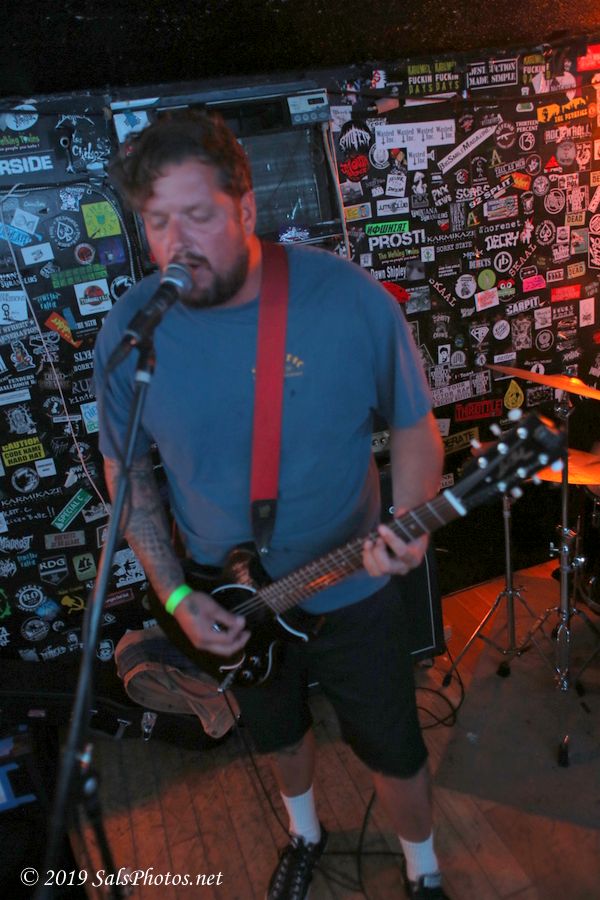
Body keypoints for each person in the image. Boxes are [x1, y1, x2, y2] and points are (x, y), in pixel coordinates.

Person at [94, 109, 447, 900]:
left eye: (198, 214)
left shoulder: (345, 299)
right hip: (231, 599)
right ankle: (305, 833)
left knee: (393, 747)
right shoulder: (131, 331)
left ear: (246, 207)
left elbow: (414, 425)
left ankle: (424, 871)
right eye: (158, 221)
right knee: (278, 734)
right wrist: (175, 597)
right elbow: (129, 472)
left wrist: (410, 516)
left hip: (351, 584)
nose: (177, 241)